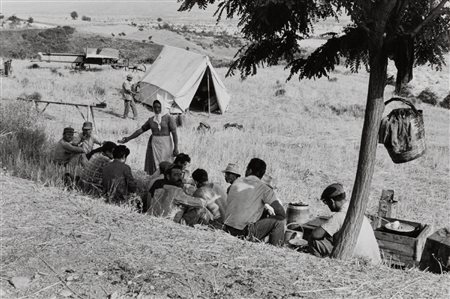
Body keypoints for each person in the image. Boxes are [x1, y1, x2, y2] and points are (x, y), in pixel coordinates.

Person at [308, 183, 381, 264]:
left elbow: (315, 234)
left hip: (357, 261)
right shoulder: (358, 213)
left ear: (332, 201)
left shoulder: (340, 216)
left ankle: (320, 265)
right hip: (374, 261)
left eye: (327, 203)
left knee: (314, 241)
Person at [224, 158, 286, 246]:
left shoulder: (235, 183)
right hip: (243, 232)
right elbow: (281, 213)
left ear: (249, 170)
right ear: (262, 174)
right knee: (279, 223)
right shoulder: (265, 189)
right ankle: (276, 251)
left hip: (227, 229)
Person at [118, 100, 179, 175]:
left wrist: (176, 147)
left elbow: (174, 133)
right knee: (155, 164)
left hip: (166, 145)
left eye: (159, 107)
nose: (156, 109)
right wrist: (128, 138)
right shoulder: (151, 120)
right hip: (154, 145)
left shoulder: (169, 118)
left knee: (167, 164)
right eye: (155, 107)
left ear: (162, 107)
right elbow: (141, 130)